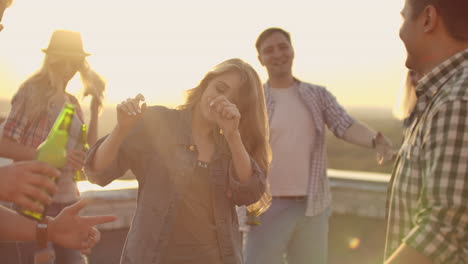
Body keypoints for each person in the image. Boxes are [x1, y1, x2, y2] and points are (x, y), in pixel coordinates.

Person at [84, 58, 270, 264]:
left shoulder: (231, 144)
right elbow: (97, 172)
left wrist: (233, 135)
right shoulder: (159, 122)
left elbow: (250, 191)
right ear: (205, 84)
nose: (220, 101)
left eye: (232, 100)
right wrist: (122, 129)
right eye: (219, 89)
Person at [244, 27, 394, 264]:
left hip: (312, 206)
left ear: (292, 50)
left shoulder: (317, 95)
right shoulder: (253, 100)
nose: (278, 54)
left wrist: (375, 140)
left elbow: (345, 125)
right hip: (266, 208)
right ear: (260, 59)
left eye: (283, 46)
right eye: (269, 50)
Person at [0, 29, 105, 263]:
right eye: (62, 61)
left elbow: (89, 152)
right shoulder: (32, 91)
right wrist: (47, 156)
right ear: (51, 59)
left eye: (74, 62)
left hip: (68, 201)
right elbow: (2, 144)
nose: (68, 68)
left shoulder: (72, 102)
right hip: (35, 203)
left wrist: (96, 109)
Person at [385, 0, 468, 263]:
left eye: (403, 18)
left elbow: (442, 230)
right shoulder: (442, 95)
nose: (400, 32)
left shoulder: (457, 99)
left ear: (428, 18)